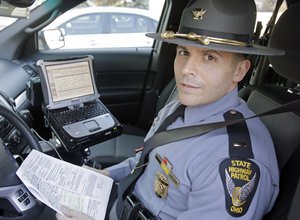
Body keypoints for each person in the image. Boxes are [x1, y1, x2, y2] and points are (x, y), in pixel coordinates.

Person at [56, 0, 284, 219]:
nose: (187, 69)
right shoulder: (178, 108)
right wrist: (106, 175)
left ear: (239, 72)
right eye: (184, 52)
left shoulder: (232, 163)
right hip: (120, 203)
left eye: (210, 57)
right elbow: (148, 161)